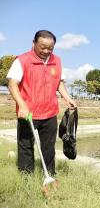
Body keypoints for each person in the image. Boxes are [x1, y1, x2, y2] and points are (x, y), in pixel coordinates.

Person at [7, 30, 77, 175]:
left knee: (49, 147)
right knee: (26, 147)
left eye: (50, 48)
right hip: (28, 113)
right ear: (34, 43)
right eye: (42, 47)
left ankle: (50, 175)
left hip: (50, 112)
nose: (46, 51)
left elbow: (59, 83)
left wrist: (67, 98)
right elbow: (12, 84)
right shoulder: (22, 60)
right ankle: (26, 178)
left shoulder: (56, 61)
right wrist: (22, 105)